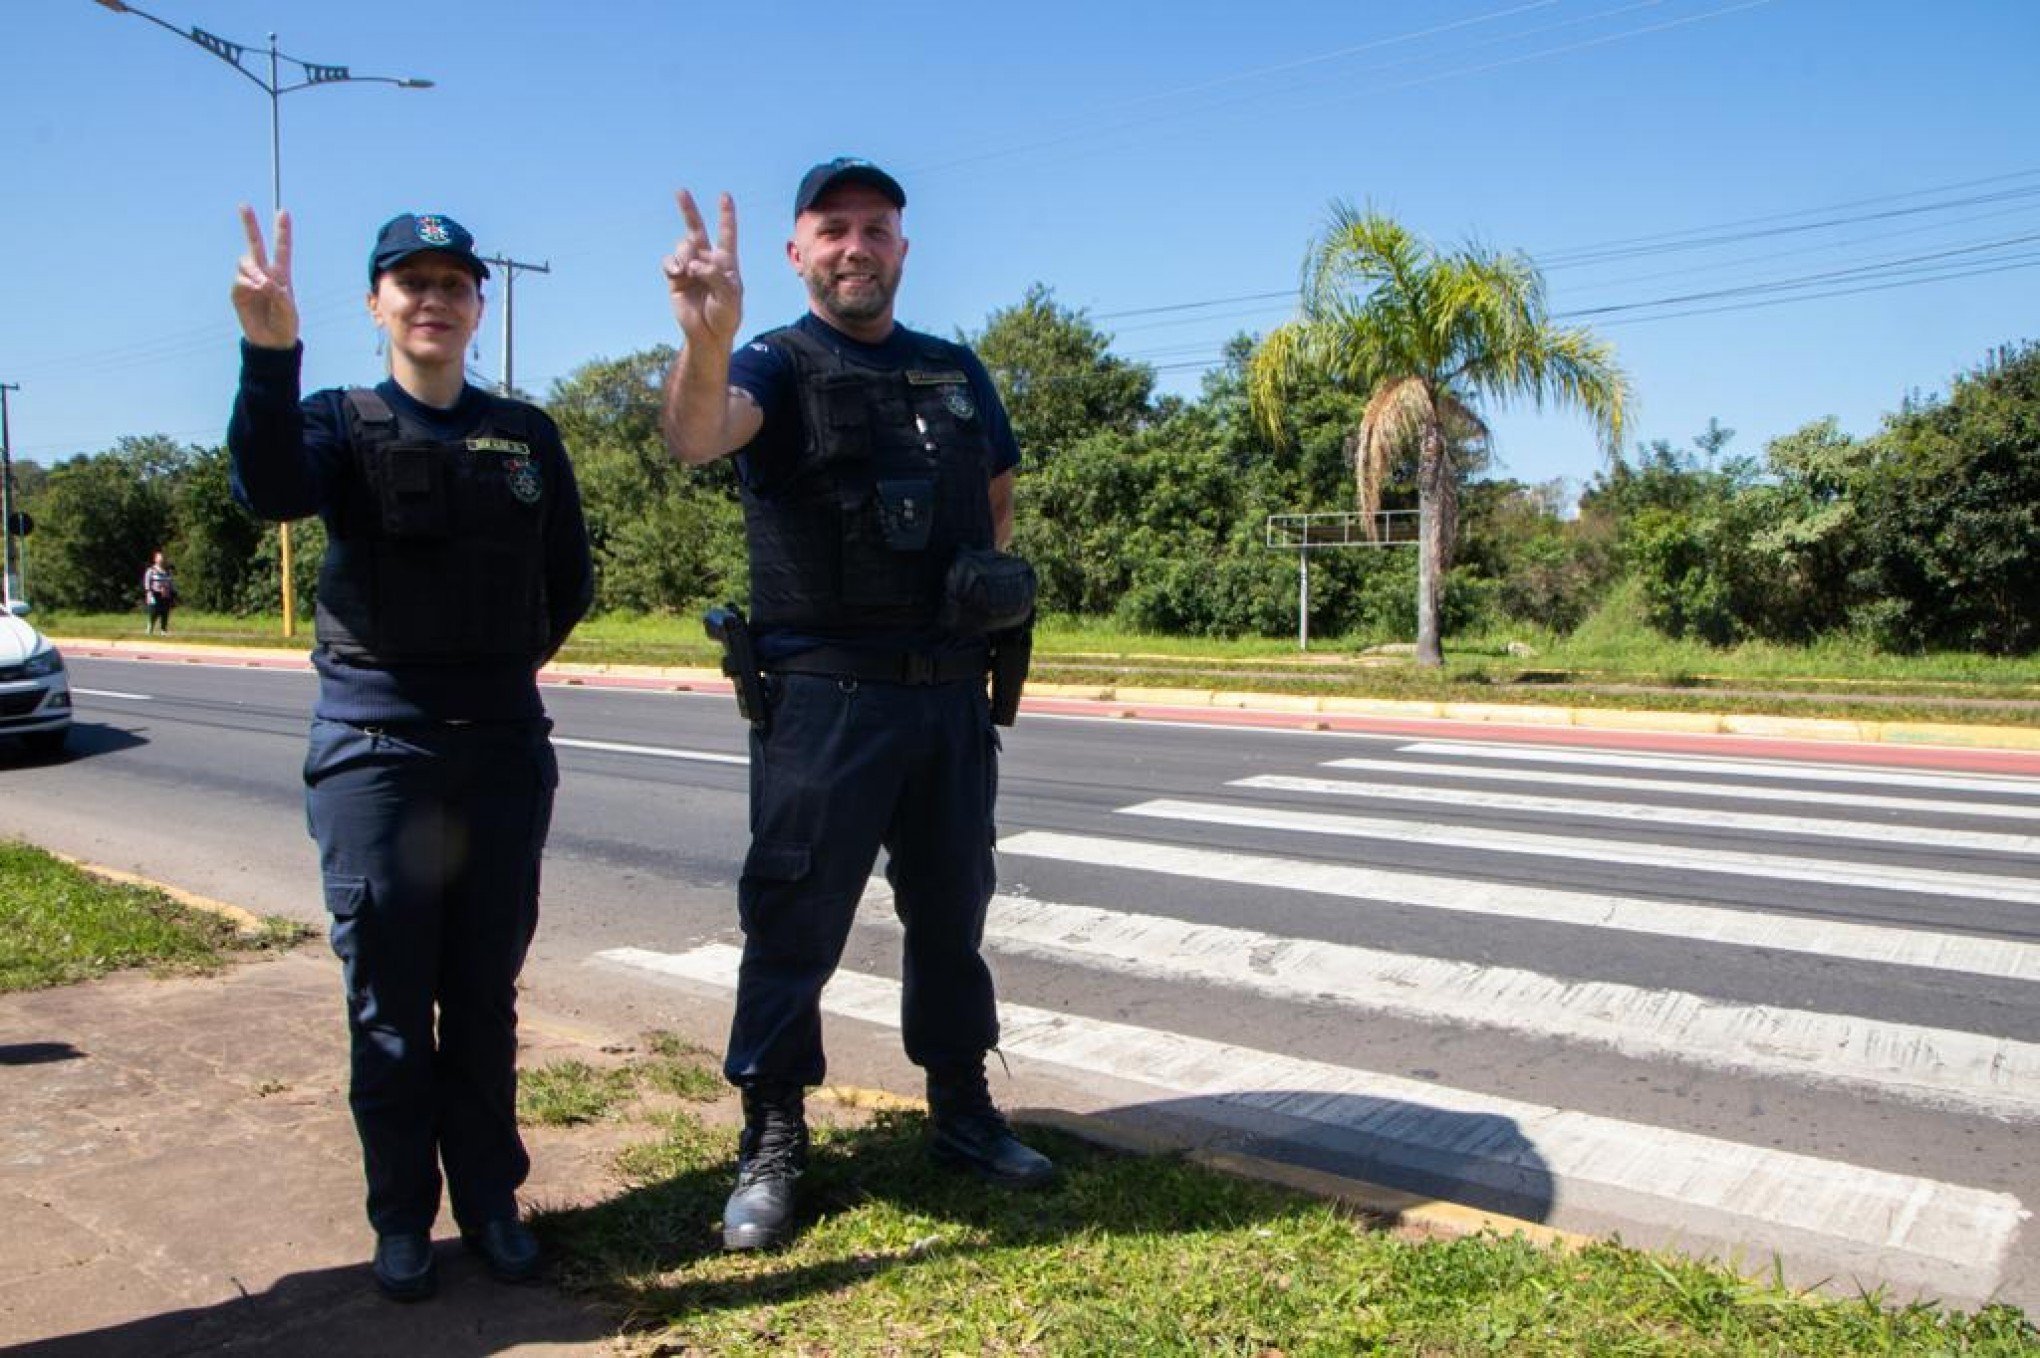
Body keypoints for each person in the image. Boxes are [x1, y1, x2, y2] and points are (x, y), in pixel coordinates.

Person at [660, 157, 1052, 1253]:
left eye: (875, 228)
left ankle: (963, 1111)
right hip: (823, 702)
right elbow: (696, 435)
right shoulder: (771, 364)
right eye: (832, 229)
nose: (855, 246)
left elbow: (997, 496)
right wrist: (703, 334)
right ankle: (775, 1136)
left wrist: (975, 591)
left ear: (902, 249)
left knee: (952, 915)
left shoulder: (955, 369)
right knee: (792, 925)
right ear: (798, 252)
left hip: (945, 700)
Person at [226, 206, 593, 1302]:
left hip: (499, 748)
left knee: (483, 994)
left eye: (454, 282)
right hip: (376, 752)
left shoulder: (526, 434)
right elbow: (266, 487)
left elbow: (567, 578)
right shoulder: (340, 421)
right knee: (388, 999)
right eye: (412, 281)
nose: (434, 298)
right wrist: (267, 353)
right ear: (378, 302)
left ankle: (490, 1200)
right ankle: (399, 1217)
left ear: (479, 305)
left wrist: (493, 674)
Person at [141, 550, 177, 634]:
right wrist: (149, 592)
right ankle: (150, 627)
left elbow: (170, 582)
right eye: (159, 558)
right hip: (154, 593)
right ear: (155, 559)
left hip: (165, 594)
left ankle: (163, 630)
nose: (161, 560)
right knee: (154, 611)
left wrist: (170, 591)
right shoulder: (151, 570)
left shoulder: (167, 572)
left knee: (165, 611)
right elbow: (147, 582)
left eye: (162, 558)